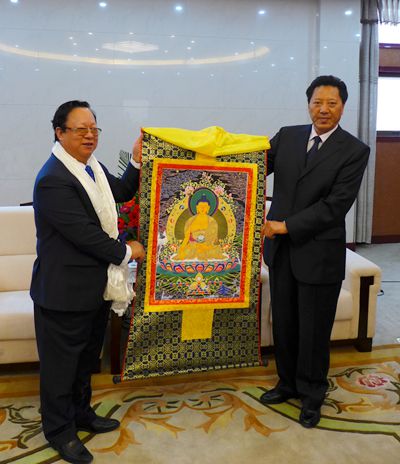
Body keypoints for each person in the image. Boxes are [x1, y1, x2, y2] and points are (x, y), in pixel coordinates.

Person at [30, 100, 145, 463]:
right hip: (63, 293)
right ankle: (60, 431)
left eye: (94, 129)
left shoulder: (91, 167)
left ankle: (81, 414)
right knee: (60, 370)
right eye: (80, 130)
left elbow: (121, 192)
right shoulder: (53, 179)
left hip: (95, 289)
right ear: (59, 132)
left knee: (84, 362)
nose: (89, 136)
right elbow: (85, 235)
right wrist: (128, 250)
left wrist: (137, 161)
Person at [260, 76, 370, 428]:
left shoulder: (354, 151)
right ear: (308, 104)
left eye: (331, 103)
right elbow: (252, 167)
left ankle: (311, 395)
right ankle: (287, 384)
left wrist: (285, 225)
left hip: (319, 254)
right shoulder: (287, 136)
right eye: (317, 102)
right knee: (285, 324)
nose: (323, 109)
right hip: (281, 254)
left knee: (313, 331)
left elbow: (335, 206)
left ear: (342, 107)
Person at [176, 194, 225, 261]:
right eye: (201, 206)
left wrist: (205, 244)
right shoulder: (191, 221)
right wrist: (182, 246)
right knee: (185, 251)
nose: (202, 208)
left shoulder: (212, 221)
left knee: (215, 251)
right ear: (197, 207)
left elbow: (214, 238)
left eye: (205, 206)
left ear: (208, 208)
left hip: (207, 247)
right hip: (193, 246)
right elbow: (187, 237)